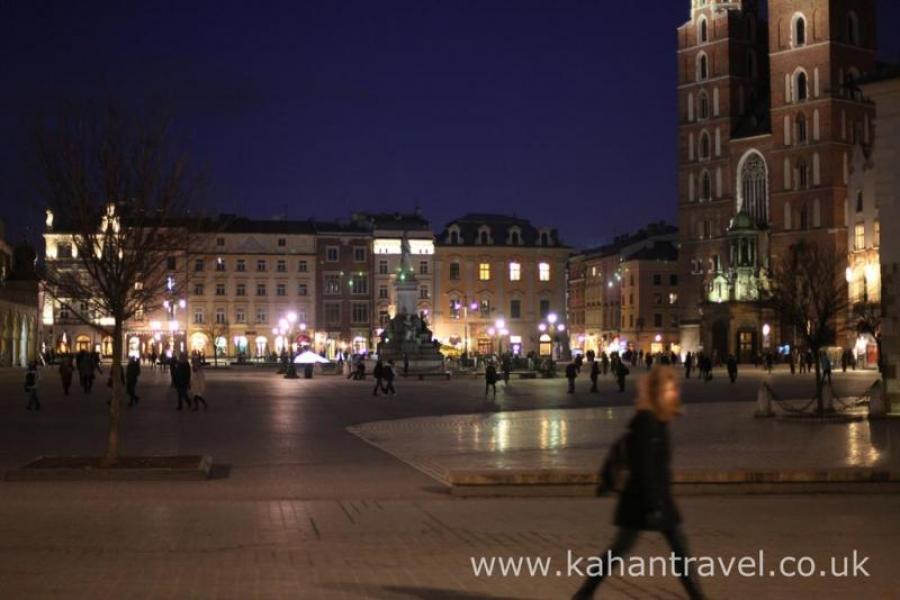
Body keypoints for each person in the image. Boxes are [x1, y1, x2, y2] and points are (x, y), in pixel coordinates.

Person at [572, 366, 705, 600]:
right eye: (670, 387)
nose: (675, 391)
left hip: (651, 499)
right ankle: (584, 592)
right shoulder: (647, 421)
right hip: (646, 500)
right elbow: (643, 466)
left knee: (672, 549)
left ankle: (585, 593)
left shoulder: (657, 418)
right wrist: (654, 504)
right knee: (622, 551)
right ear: (659, 392)